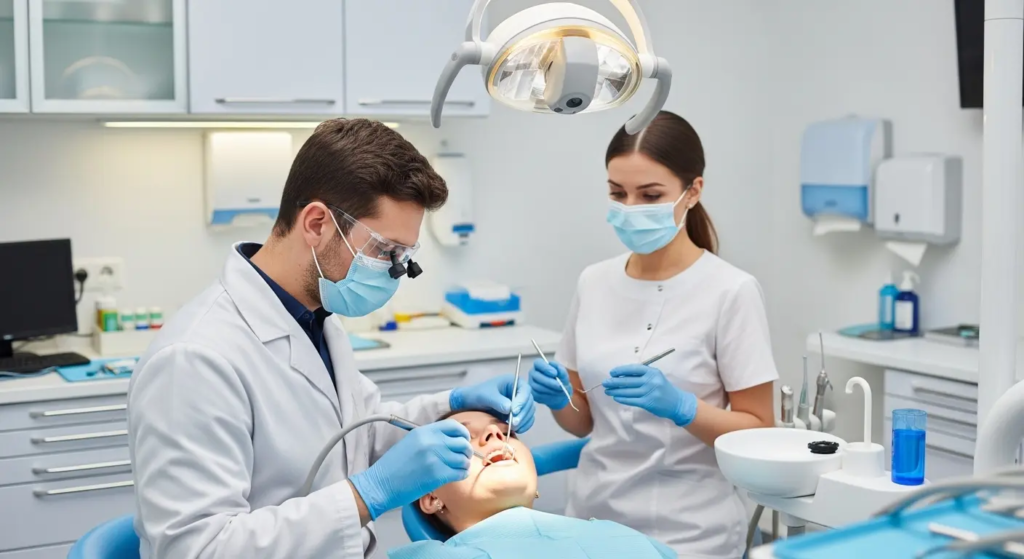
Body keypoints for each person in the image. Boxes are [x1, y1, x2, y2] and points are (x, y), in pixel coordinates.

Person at [127, 119, 535, 559]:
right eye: (385, 250)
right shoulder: (194, 359)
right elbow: (196, 550)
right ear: (317, 223)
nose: (398, 270)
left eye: (405, 256)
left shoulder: (315, 317)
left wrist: (452, 406)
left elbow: (350, 439)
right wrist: (366, 495)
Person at [528, 111, 778, 558]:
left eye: (650, 195)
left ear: (693, 191)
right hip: (591, 522)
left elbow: (759, 430)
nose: (631, 208)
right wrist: (559, 398)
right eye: (617, 193)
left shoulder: (731, 291)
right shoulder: (594, 281)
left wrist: (683, 407)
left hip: (690, 535)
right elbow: (582, 420)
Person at [390, 410, 676, 559]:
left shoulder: (620, 537)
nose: (494, 433)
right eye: (462, 438)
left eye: (506, 432)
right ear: (431, 497)